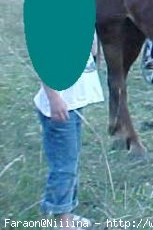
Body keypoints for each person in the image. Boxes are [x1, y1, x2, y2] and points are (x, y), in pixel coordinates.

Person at [34, 33, 103, 229]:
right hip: (60, 105)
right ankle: (62, 221)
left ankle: (65, 214)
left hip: (72, 103)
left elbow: (94, 51)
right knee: (64, 167)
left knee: (70, 162)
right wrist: (54, 98)